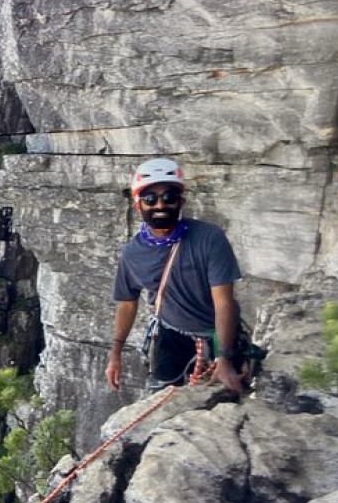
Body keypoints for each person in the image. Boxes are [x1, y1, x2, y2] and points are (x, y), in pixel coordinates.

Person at [104, 158, 244, 394]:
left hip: (218, 336)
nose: (160, 205)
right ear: (138, 205)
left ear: (181, 201)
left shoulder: (209, 238)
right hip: (171, 338)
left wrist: (225, 358)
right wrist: (115, 355)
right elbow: (127, 304)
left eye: (169, 197)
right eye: (150, 199)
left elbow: (223, 302)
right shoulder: (132, 253)